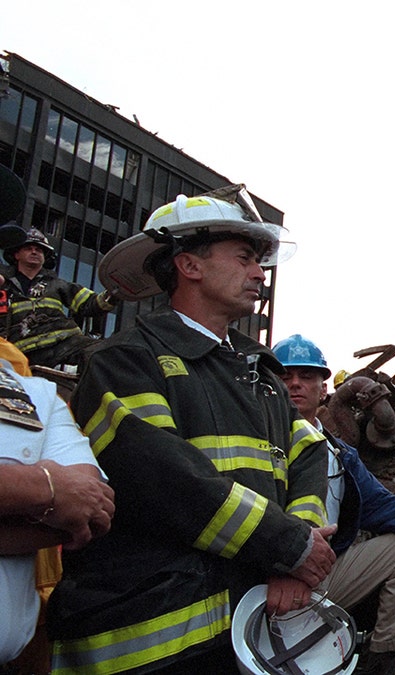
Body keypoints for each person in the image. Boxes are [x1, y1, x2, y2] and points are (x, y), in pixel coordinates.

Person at [47, 188, 337, 673]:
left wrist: (300, 543)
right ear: (190, 266)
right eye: (244, 258)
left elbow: (308, 452)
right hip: (153, 639)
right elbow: (162, 477)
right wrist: (288, 547)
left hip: (244, 624)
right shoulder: (125, 361)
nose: (258, 274)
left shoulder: (258, 372)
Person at [273, 334, 395, 673]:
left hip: (322, 575)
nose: (295, 384)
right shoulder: (256, 443)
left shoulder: (337, 452)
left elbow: (379, 503)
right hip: (266, 585)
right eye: (285, 375)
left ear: (323, 388)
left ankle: (388, 659)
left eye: (307, 376)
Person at [0, 168, 114, 667]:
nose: (36, 255)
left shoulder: (35, 393)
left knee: (105, 360)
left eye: (42, 251)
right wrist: (47, 489)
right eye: (29, 248)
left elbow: (87, 510)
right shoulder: (8, 289)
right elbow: (63, 499)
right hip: (29, 353)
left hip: (64, 358)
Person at [0, 227, 118, 368]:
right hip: (23, 353)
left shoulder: (58, 285)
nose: (34, 252)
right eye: (28, 248)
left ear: (45, 258)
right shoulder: (4, 287)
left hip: (66, 343)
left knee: (105, 354)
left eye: (39, 250)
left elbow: (91, 304)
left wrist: (115, 292)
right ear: (16, 255)